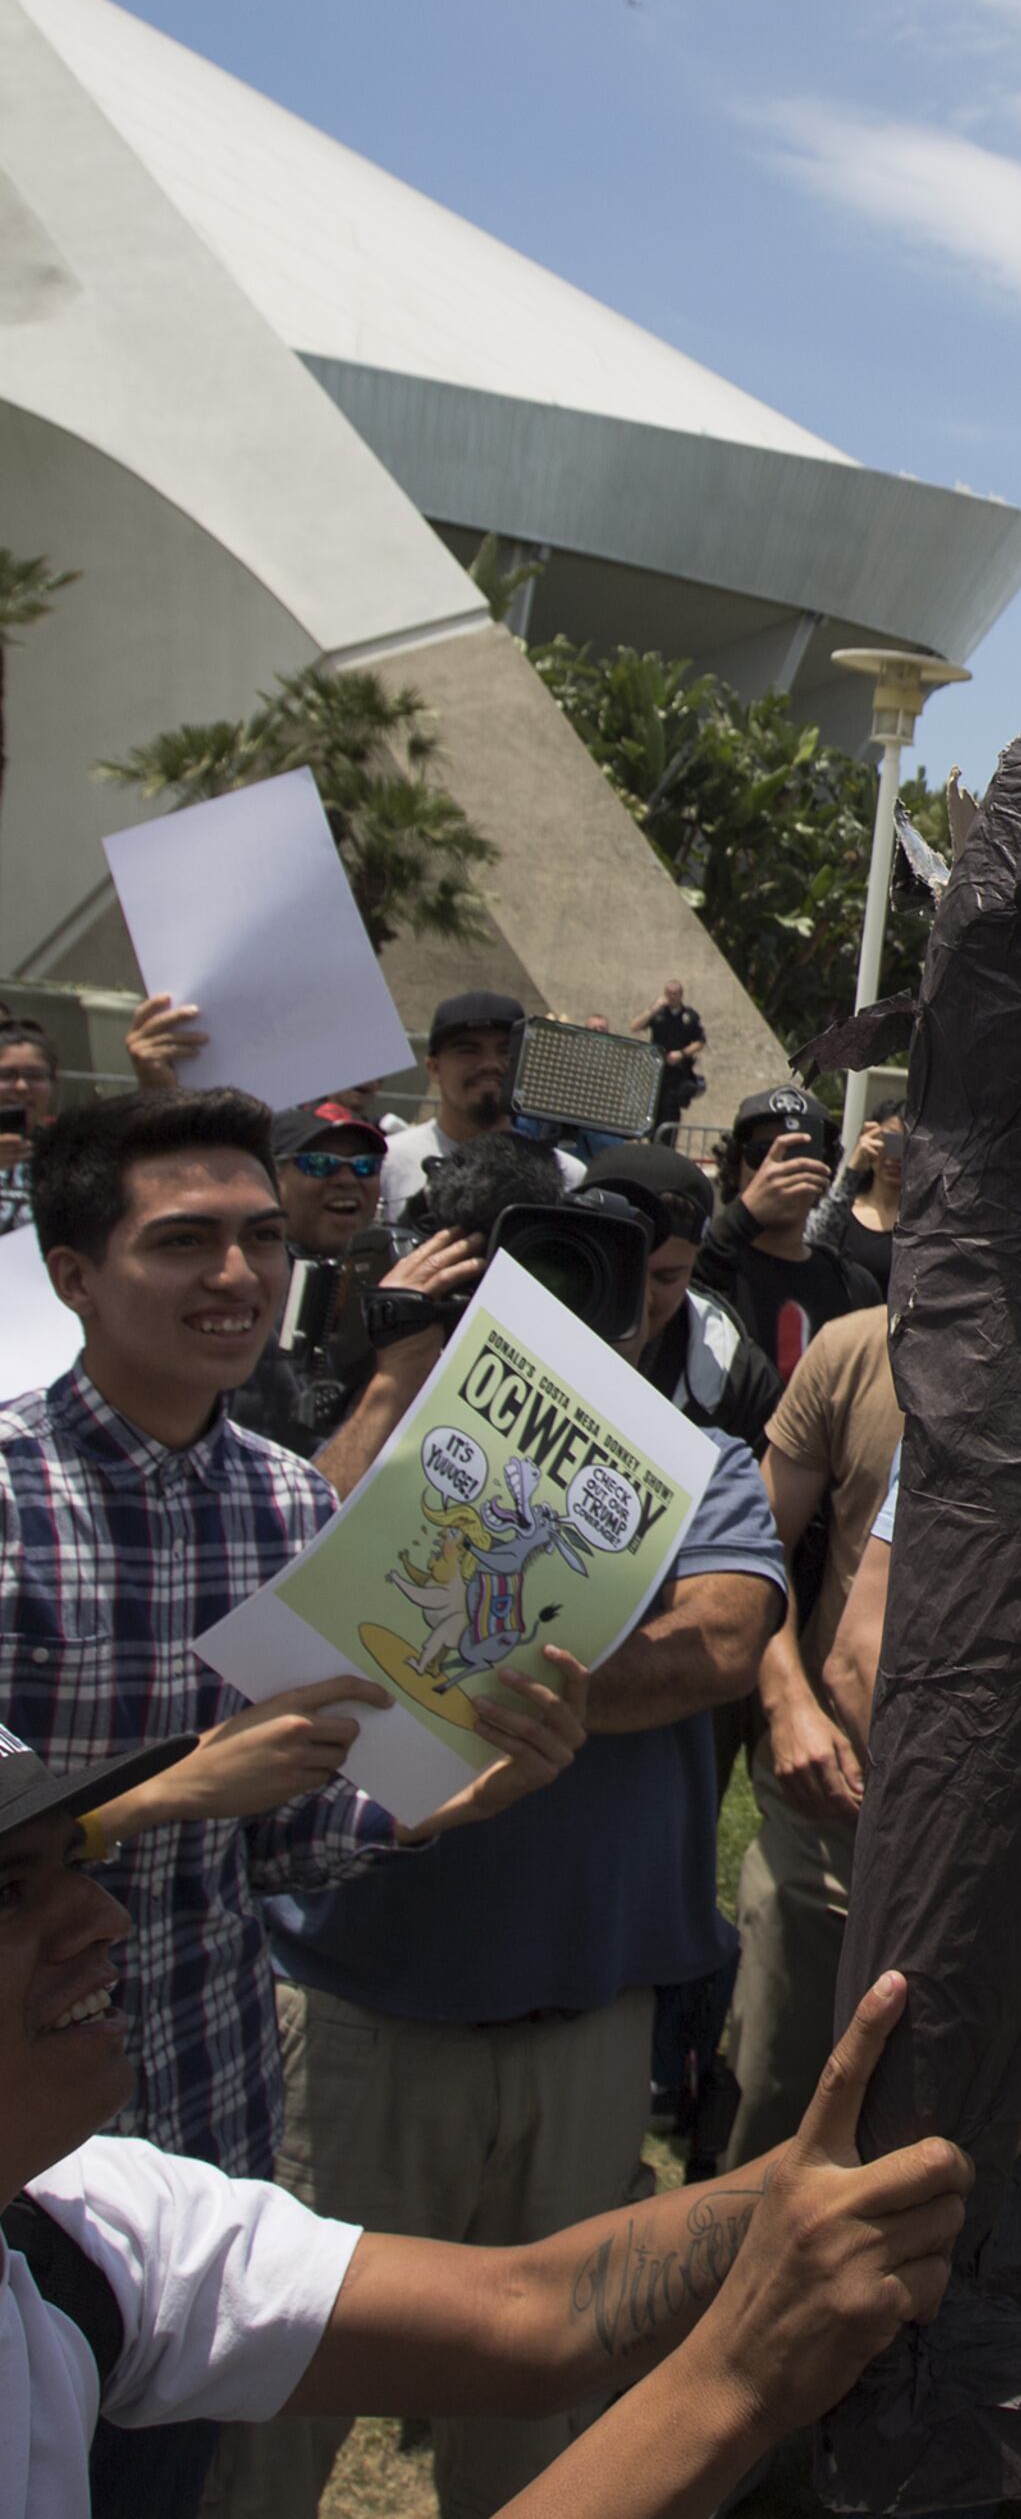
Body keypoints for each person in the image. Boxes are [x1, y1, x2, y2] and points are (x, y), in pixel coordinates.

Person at [2, 1095, 587, 2519]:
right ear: (71, 1273)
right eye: (184, 1241)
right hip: (28, 2167)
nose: (238, 1277)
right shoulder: (8, 1494)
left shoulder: (287, 1504)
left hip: (206, 2112)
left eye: (262, 1238)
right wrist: (149, 1804)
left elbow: (295, 1828)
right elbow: (197, 1798)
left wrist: (449, 1798)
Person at [0, 1725, 973, 2519]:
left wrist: (861, 2154)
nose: (102, 1916)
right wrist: (738, 2379)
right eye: (11, 1893)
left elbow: (530, 2313)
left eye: (72, 1863)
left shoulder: (85, 2223)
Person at [238, 1142, 792, 2519]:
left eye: (642, 1279)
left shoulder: (696, 1461)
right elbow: (281, 1583)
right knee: (273, 2404)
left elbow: (727, 1636)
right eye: (542, 1266)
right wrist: (398, 1369)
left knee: (542, 2426)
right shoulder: (377, 1412)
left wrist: (521, 1694)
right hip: (358, 2004)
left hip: (579, 2021)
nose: (601, 1303)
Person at [730, 1306, 903, 2157]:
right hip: (831, 1820)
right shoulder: (854, 1351)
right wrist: (788, 1700)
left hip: (992, 1845)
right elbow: (752, 1550)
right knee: (773, 2112)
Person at [569, 1141, 784, 1447]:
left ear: (693, 1266)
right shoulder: (523, 1307)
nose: (642, 1297)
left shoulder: (734, 1374)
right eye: (623, 1269)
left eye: (666, 1277)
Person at [219, 1106, 390, 1458]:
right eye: (319, 1164)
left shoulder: (397, 1279)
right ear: (269, 1179)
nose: (347, 1180)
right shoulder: (234, 1285)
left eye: (364, 1166)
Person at [700, 1087, 882, 1379]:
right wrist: (745, 1214)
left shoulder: (854, 1287)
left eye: (801, 1154)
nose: (782, 1169)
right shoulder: (713, 1268)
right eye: (762, 1154)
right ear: (736, 1165)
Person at [376, 994, 577, 1230]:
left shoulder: (567, 1173)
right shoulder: (386, 1162)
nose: (490, 1063)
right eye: (469, 1050)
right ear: (433, 1068)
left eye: (506, 1050)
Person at [803, 1095, 908, 1293]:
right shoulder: (843, 1209)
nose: (896, 1156)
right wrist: (853, 1169)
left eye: (906, 1145)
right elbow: (812, 1243)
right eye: (890, 1141)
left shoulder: (924, 1221)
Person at [639, 979, 706, 1130]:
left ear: (681, 995)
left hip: (677, 1073)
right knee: (651, 1110)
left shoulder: (689, 1016)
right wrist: (653, 1008)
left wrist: (681, 1054)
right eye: (669, 993)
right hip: (655, 1070)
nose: (672, 996)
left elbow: (700, 1041)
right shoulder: (658, 1014)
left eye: (675, 993)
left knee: (669, 1112)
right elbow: (635, 1026)